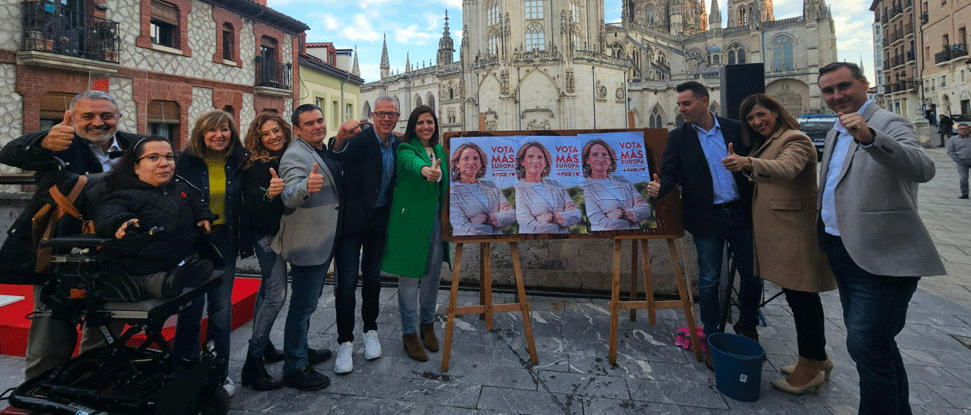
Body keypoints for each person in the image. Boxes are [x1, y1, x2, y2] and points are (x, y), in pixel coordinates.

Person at [816, 62, 945, 414]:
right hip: (843, 249)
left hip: (882, 254)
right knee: (875, 347)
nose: (836, 96)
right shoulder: (833, 132)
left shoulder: (888, 122)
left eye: (844, 87)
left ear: (864, 83)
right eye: (829, 91)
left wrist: (871, 139)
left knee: (866, 344)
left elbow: (923, 167)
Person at [0, 90, 140, 381]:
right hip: (61, 252)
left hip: (119, 252)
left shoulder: (137, 145)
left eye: (106, 115)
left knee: (106, 330)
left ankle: (92, 385)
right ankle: (38, 394)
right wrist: (40, 141)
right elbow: (9, 152)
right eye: (87, 116)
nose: (97, 122)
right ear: (73, 118)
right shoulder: (59, 142)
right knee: (51, 333)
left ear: (119, 118)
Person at [721, 93, 836, 394]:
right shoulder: (771, 141)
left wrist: (747, 161)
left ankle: (809, 368)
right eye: (751, 119)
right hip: (783, 232)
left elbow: (787, 169)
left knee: (802, 300)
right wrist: (749, 162)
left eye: (761, 115)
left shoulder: (794, 139)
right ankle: (819, 357)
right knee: (802, 298)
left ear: (776, 112)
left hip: (794, 233)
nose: (757, 122)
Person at [646, 81, 762, 370]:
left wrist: (746, 164)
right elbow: (671, 171)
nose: (681, 109)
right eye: (679, 104)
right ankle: (712, 336)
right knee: (709, 280)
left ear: (704, 101)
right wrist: (660, 188)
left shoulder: (735, 129)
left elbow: (759, 160)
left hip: (741, 212)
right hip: (706, 216)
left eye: (686, 103)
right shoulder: (678, 137)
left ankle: (747, 327)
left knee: (752, 274)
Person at [172, 110, 248, 397]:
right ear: (201, 133)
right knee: (190, 308)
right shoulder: (184, 162)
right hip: (192, 242)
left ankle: (219, 372)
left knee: (221, 309)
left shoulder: (238, 162)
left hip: (224, 242)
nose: (219, 135)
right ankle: (184, 371)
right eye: (212, 130)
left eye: (225, 130)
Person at [271, 104, 342, 390]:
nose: (318, 126)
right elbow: (288, 195)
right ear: (297, 130)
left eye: (320, 120)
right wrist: (305, 187)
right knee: (302, 306)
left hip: (320, 239)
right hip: (308, 242)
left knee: (307, 304)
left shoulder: (317, 149)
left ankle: (300, 350)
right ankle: (295, 367)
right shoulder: (295, 155)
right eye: (309, 123)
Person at [329, 96, 401, 374]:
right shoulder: (360, 140)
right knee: (346, 284)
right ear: (372, 115)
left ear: (397, 116)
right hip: (351, 224)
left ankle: (370, 330)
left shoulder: (397, 143)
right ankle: (345, 342)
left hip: (379, 223)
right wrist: (338, 139)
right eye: (381, 114)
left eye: (391, 114)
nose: (386, 119)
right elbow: (336, 158)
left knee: (372, 280)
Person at [94, 136, 216, 301]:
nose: (164, 163)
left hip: (176, 260)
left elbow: (195, 200)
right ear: (136, 167)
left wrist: (203, 216)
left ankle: (181, 274)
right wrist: (121, 223)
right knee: (162, 284)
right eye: (153, 158)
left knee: (202, 267)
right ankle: (149, 284)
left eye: (169, 157)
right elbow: (108, 212)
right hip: (142, 268)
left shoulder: (179, 187)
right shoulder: (124, 194)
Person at [380, 106, 449, 362]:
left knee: (432, 276)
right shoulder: (405, 149)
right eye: (420, 122)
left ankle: (427, 324)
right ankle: (409, 333)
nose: (425, 127)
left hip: (435, 223)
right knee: (409, 277)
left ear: (435, 125)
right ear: (413, 125)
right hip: (411, 222)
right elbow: (412, 165)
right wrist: (427, 171)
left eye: (429, 122)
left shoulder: (441, 150)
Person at [580, 139, 651, 231]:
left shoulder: (623, 181)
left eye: (604, 155)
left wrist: (623, 214)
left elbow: (645, 209)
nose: (601, 158)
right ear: (587, 160)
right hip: (606, 239)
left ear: (610, 159)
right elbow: (601, 225)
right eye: (595, 155)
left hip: (634, 236)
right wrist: (632, 216)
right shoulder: (586, 188)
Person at [513, 141, 581, 234]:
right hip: (533, 243)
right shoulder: (518, 189)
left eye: (540, 157)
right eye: (530, 156)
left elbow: (576, 215)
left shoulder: (556, 185)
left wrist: (552, 218)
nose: (536, 161)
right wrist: (562, 222)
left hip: (562, 242)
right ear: (522, 161)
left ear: (545, 163)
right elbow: (529, 227)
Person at [449, 142, 515, 235]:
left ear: (480, 164)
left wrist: (487, 220)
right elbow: (463, 229)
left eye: (475, 158)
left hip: (496, 243)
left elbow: (511, 216)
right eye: (465, 158)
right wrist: (498, 220)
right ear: (457, 163)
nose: (471, 162)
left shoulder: (490, 186)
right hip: (470, 246)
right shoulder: (452, 193)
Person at [946, 123, 971, 199]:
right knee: (963, 178)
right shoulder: (953, 139)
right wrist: (956, 159)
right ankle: (964, 193)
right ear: (958, 130)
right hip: (962, 161)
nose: (964, 130)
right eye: (961, 129)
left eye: (966, 129)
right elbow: (949, 151)